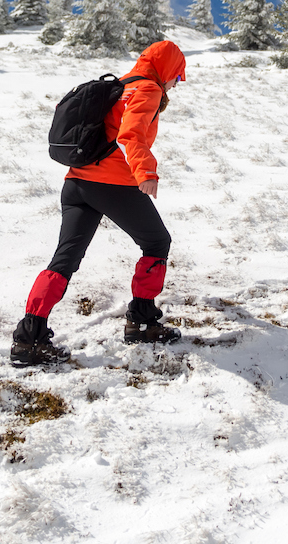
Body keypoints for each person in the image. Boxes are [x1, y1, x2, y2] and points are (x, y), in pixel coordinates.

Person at [11, 40, 187, 366]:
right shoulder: (147, 89)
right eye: (178, 77)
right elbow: (130, 135)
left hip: (76, 182)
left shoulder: (121, 85)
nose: (176, 84)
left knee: (64, 259)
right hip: (111, 183)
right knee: (157, 242)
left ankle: (28, 339)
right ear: (167, 70)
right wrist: (146, 172)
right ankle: (142, 321)